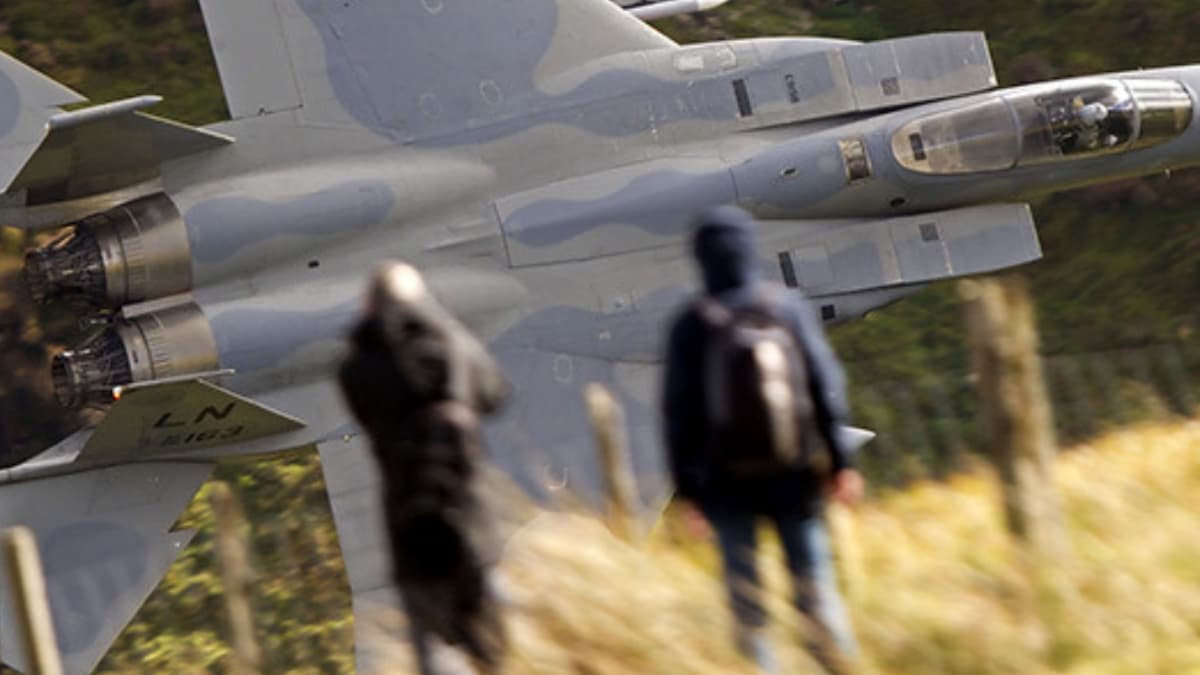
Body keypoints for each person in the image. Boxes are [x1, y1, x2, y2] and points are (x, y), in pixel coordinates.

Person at [662, 206, 863, 674]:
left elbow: (678, 416)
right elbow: (824, 386)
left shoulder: (691, 323)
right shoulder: (785, 307)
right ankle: (837, 664)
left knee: (748, 607)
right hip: (794, 476)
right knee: (816, 591)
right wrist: (841, 464)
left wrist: (689, 494)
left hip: (725, 487)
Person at [338, 261, 510, 675]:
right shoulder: (453, 346)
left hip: (409, 525)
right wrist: (437, 317)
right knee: (499, 643)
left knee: (435, 651)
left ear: (369, 306)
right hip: (470, 517)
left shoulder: (358, 368)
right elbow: (492, 394)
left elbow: (365, 406)